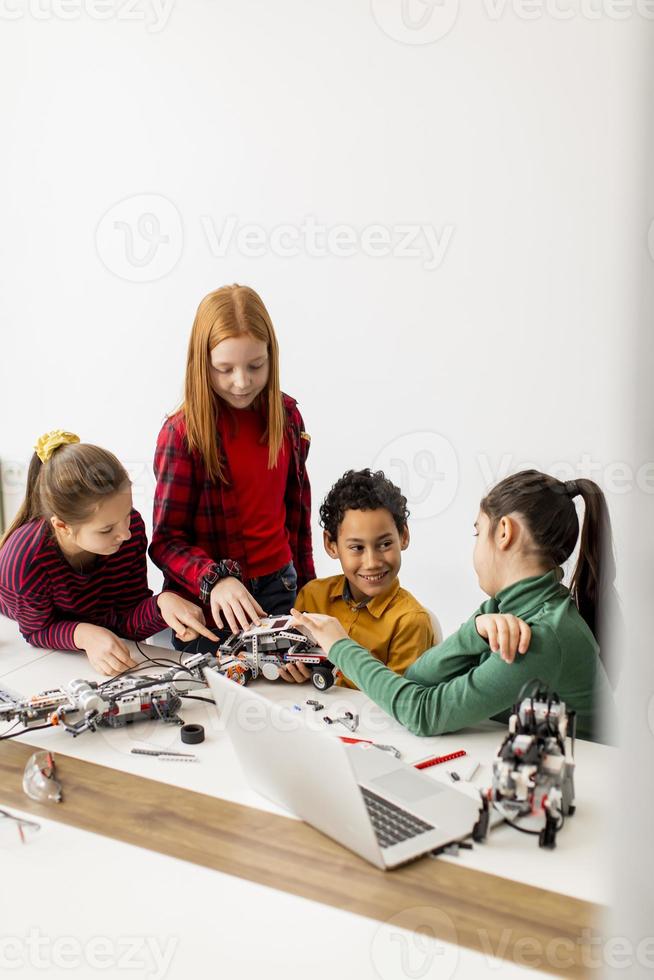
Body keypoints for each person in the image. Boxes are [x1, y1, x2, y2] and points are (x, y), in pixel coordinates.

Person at [292, 470, 616, 742]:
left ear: (504, 532)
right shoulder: (507, 611)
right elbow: (418, 678)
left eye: (478, 531)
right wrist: (473, 632)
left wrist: (340, 646)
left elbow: (422, 713)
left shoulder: (539, 635)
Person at [150, 284, 315, 649]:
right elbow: (165, 543)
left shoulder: (287, 417)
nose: (242, 382)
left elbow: (297, 521)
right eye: (224, 369)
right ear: (201, 364)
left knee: (288, 695)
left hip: (280, 588)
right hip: (211, 605)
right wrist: (217, 579)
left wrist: (310, 592)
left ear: (272, 357)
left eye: (255, 366)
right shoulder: (182, 434)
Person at [0, 430, 214, 676]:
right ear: (62, 527)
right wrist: (83, 635)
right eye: (106, 529)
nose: (125, 534)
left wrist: (161, 605)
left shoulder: (130, 528)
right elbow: (35, 630)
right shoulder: (24, 561)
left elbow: (126, 618)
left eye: (126, 514)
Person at [286, 469, 434, 687]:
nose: (372, 562)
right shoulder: (312, 596)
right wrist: (294, 671)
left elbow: (401, 702)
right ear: (331, 544)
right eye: (357, 547)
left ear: (403, 536)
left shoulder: (411, 621)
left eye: (384, 544)